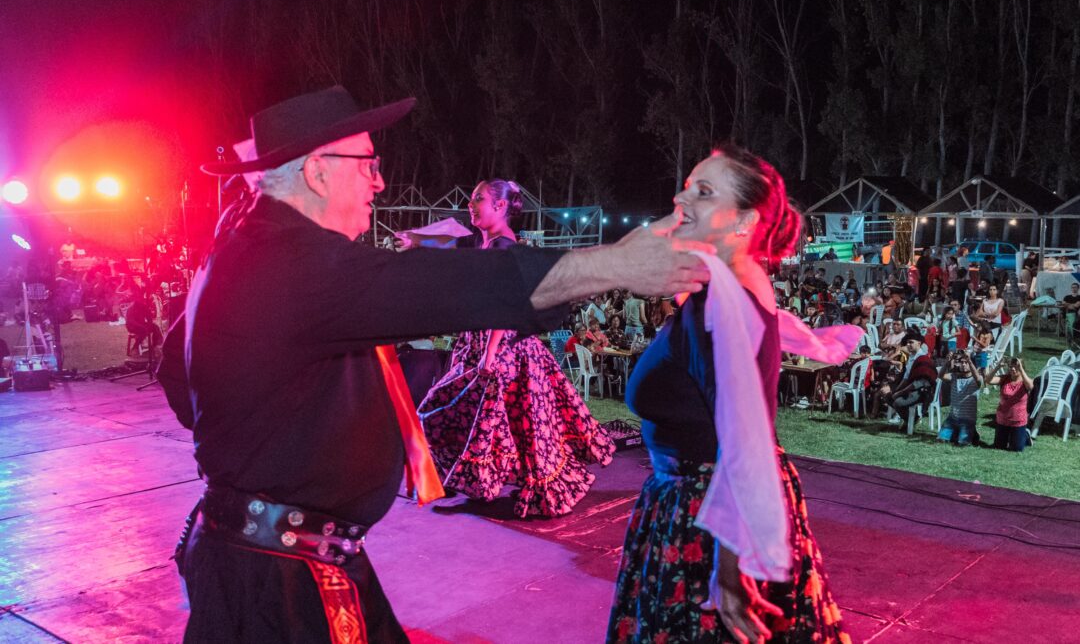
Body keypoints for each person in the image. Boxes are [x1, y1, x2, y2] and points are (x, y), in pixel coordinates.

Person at [164, 86, 711, 643]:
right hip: (279, 582)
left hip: (278, 554)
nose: (379, 181)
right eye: (369, 165)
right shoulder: (291, 264)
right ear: (317, 172)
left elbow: (176, 377)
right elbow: (453, 287)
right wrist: (617, 262)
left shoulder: (246, 247)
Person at [607, 145, 848, 643]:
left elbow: (744, 432)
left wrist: (731, 566)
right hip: (701, 504)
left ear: (742, 222)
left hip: (708, 515)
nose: (680, 196)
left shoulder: (723, 307)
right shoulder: (730, 284)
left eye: (703, 190)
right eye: (688, 184)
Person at [414, 179, 616, 518]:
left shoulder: (506, 247)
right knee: (494, 420)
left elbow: (506, 304)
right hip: (478, 344)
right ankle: (474, 477)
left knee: (516, 423)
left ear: (501, 206)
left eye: (478, 198)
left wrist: (491, 351)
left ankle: (524, 485)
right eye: (470, 198)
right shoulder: (482, 244)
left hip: (504, 347)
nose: (470, 204)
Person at [936, 351, 983, 446]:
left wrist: (969, 360)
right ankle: (959, 433)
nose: (964, 365)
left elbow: (978, 380)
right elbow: (940, 376)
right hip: (952, 418)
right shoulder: (954, 377)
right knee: (941, 440)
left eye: (966, 362)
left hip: (967, 420)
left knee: (962, 443)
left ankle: (972, 433)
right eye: (962, 362)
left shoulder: (976, 379)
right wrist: (947, 362)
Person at [988, 357, 1034, 452]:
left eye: (1016, 367)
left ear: (1021, 368)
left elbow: (1030, 387)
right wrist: (997, 367)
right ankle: (1012, 436)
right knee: (999, 447)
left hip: (1018, 420)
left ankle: (1025, 436)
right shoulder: (1004, 378)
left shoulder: (1025, 381)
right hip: (1003, 419)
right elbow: (988, 380)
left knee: (1016, 449)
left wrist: (1021, 369)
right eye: (1010, 367)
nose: (1012, 369)